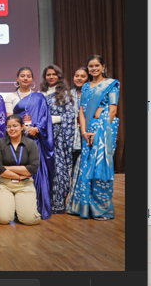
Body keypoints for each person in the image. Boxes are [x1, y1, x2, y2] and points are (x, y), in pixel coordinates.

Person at [67, 55, 120, 220]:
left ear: (103, 66)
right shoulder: (86, 87)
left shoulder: (111, 84)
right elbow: (82, 111)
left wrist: (99, 132)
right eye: (91, 66)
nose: (94, 69)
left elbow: (112, 110)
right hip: (87, 131)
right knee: (86, 166)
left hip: (104, 130)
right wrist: (84, 132)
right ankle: (85, 207)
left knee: (100, 167)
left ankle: (102, 210)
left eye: (97, 65)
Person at [5, 67, 54, 220]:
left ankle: (38, 206)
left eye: (28, 76)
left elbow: (45, 117)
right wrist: (25, 129)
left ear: (32, 79)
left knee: (37, 171)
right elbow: (10, 119)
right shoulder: (10, 97)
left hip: (37, 139)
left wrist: (37, 129)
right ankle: (18, 207)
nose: (25, 78)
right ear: (17, 78)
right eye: (22, 76)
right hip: (18, 139)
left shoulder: (40, 97)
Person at [0, 115, 42, 226]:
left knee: (29, 220)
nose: (12, 129)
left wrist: (7, 168)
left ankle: (20, 210)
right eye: (9, 126)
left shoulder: (31, 144)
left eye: (15, 126)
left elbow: (33, 168)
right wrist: (19, 176)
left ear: (22, 127)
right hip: (3, 184)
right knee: (3, 219)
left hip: (24, 184)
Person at [40, 65, 76, 214]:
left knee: (59, 169)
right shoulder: (41, 94)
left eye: (54, 74)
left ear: (59, 76)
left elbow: (69, 116)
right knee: (44, 169)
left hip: (58, 137)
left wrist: (49, 120)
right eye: (48, 74)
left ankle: (58, 203)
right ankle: (44, 201)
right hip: (43, 136)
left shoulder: (64, 94)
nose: (51, 77)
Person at [70, 67, 89, 166]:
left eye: (83, 76)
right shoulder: (68, 94)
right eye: (77, 76)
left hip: (88, 129)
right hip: (72, 132)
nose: (79, 78)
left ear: (88, 78)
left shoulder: (92, 93)